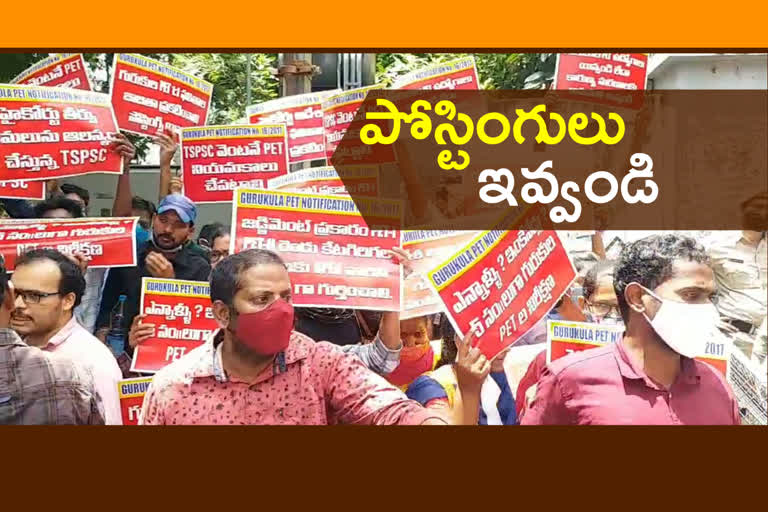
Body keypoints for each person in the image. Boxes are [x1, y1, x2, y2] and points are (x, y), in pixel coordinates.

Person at [140, 249, 449, 425]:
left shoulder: (321, 363)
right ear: (223, 314)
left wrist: (428, 422)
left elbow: (384, 407)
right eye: (262, 299)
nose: (280, 310)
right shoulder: (174, 389)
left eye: (285, 297)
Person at [522, 234, 741, 425]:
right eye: (691, 295)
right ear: (637, 297)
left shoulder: (717, 386)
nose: (707, 309)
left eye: (710, 297)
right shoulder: (570, 381)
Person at [10, 248, 122, 424]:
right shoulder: (12, 347)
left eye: (34, 296)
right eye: (14, 293)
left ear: (68, 301)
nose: (18, 304)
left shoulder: (94, 363)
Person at [96, 192, 211, 349]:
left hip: (172, 351)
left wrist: (168, 284)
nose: (168, 229)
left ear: (190, 231)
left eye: (178, 225)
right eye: (163, 221)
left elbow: (195, 323)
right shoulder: (130, 257)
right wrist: (102, 333)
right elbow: (108, 306)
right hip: (123, 349)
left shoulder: (199, 267)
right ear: (154, 219)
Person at [406, 328, 516, 425]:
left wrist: (497, 367)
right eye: (492, 337)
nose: (506, 348)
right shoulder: (431, 388)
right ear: (460, 340)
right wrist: (468, 389)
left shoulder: (494, 375)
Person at [706, 192, 767, 364]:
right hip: (735, 337)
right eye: (755, 208)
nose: (761, 213)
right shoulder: (717, 245)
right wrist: (708, 316)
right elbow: (692, 283)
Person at [33, 197, 104, 333]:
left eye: (64, 225)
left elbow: (85, 323)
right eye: (49, 226)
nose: (57, 232)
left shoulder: (93, 269)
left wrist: (75, 279)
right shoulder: (27, 270)